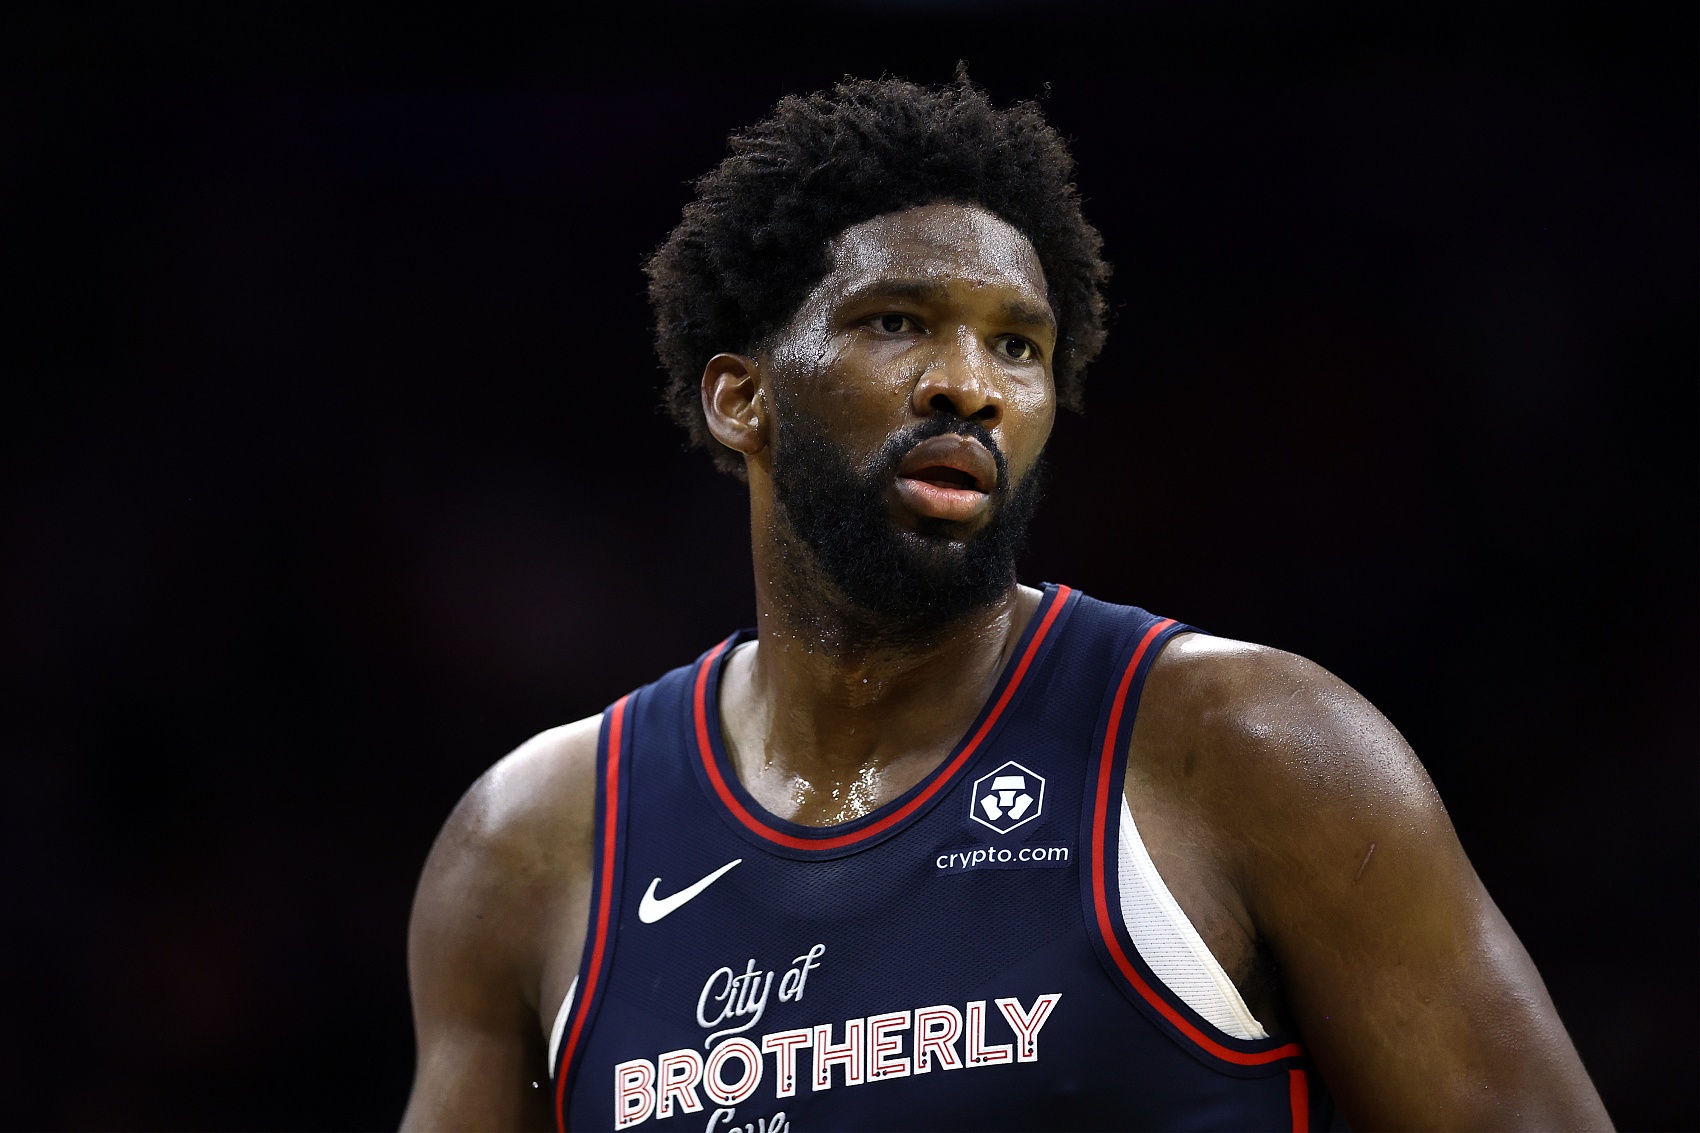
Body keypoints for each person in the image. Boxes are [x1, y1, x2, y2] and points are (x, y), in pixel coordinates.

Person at [401, 75, 1610, 1132]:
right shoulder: (531, 842)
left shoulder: (1253, 748)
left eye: (1017, 346)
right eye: (898, 323)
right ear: (740, 397)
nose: (968, 385)